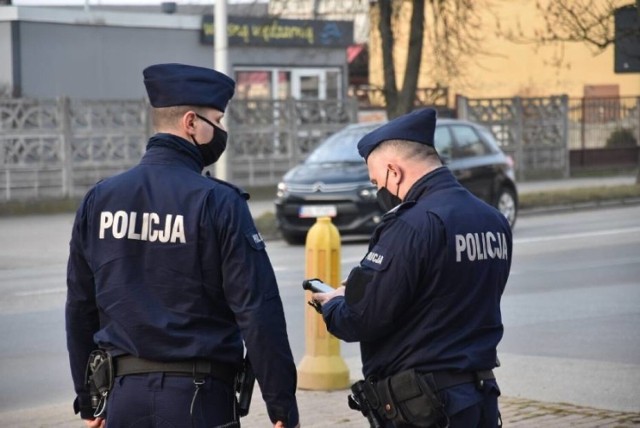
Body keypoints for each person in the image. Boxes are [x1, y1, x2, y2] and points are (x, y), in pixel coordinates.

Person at [66, 63, 299, 428]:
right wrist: (281, 404)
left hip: (123, 399)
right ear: (191, 123)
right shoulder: (218, 202)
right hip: (199, 400)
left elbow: (80, 306)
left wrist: (89, 400)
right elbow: (256, 309)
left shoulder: (101, 199)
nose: (222, 130)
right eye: (217, 120)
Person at [312, 108, 512, 427]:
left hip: (427, 407)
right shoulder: (492, 219)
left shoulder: (411, 225)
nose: (379, 190)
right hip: (478, 397)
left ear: (394, 170)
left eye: (376, 181)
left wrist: (336, 303)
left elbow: (363, 318)